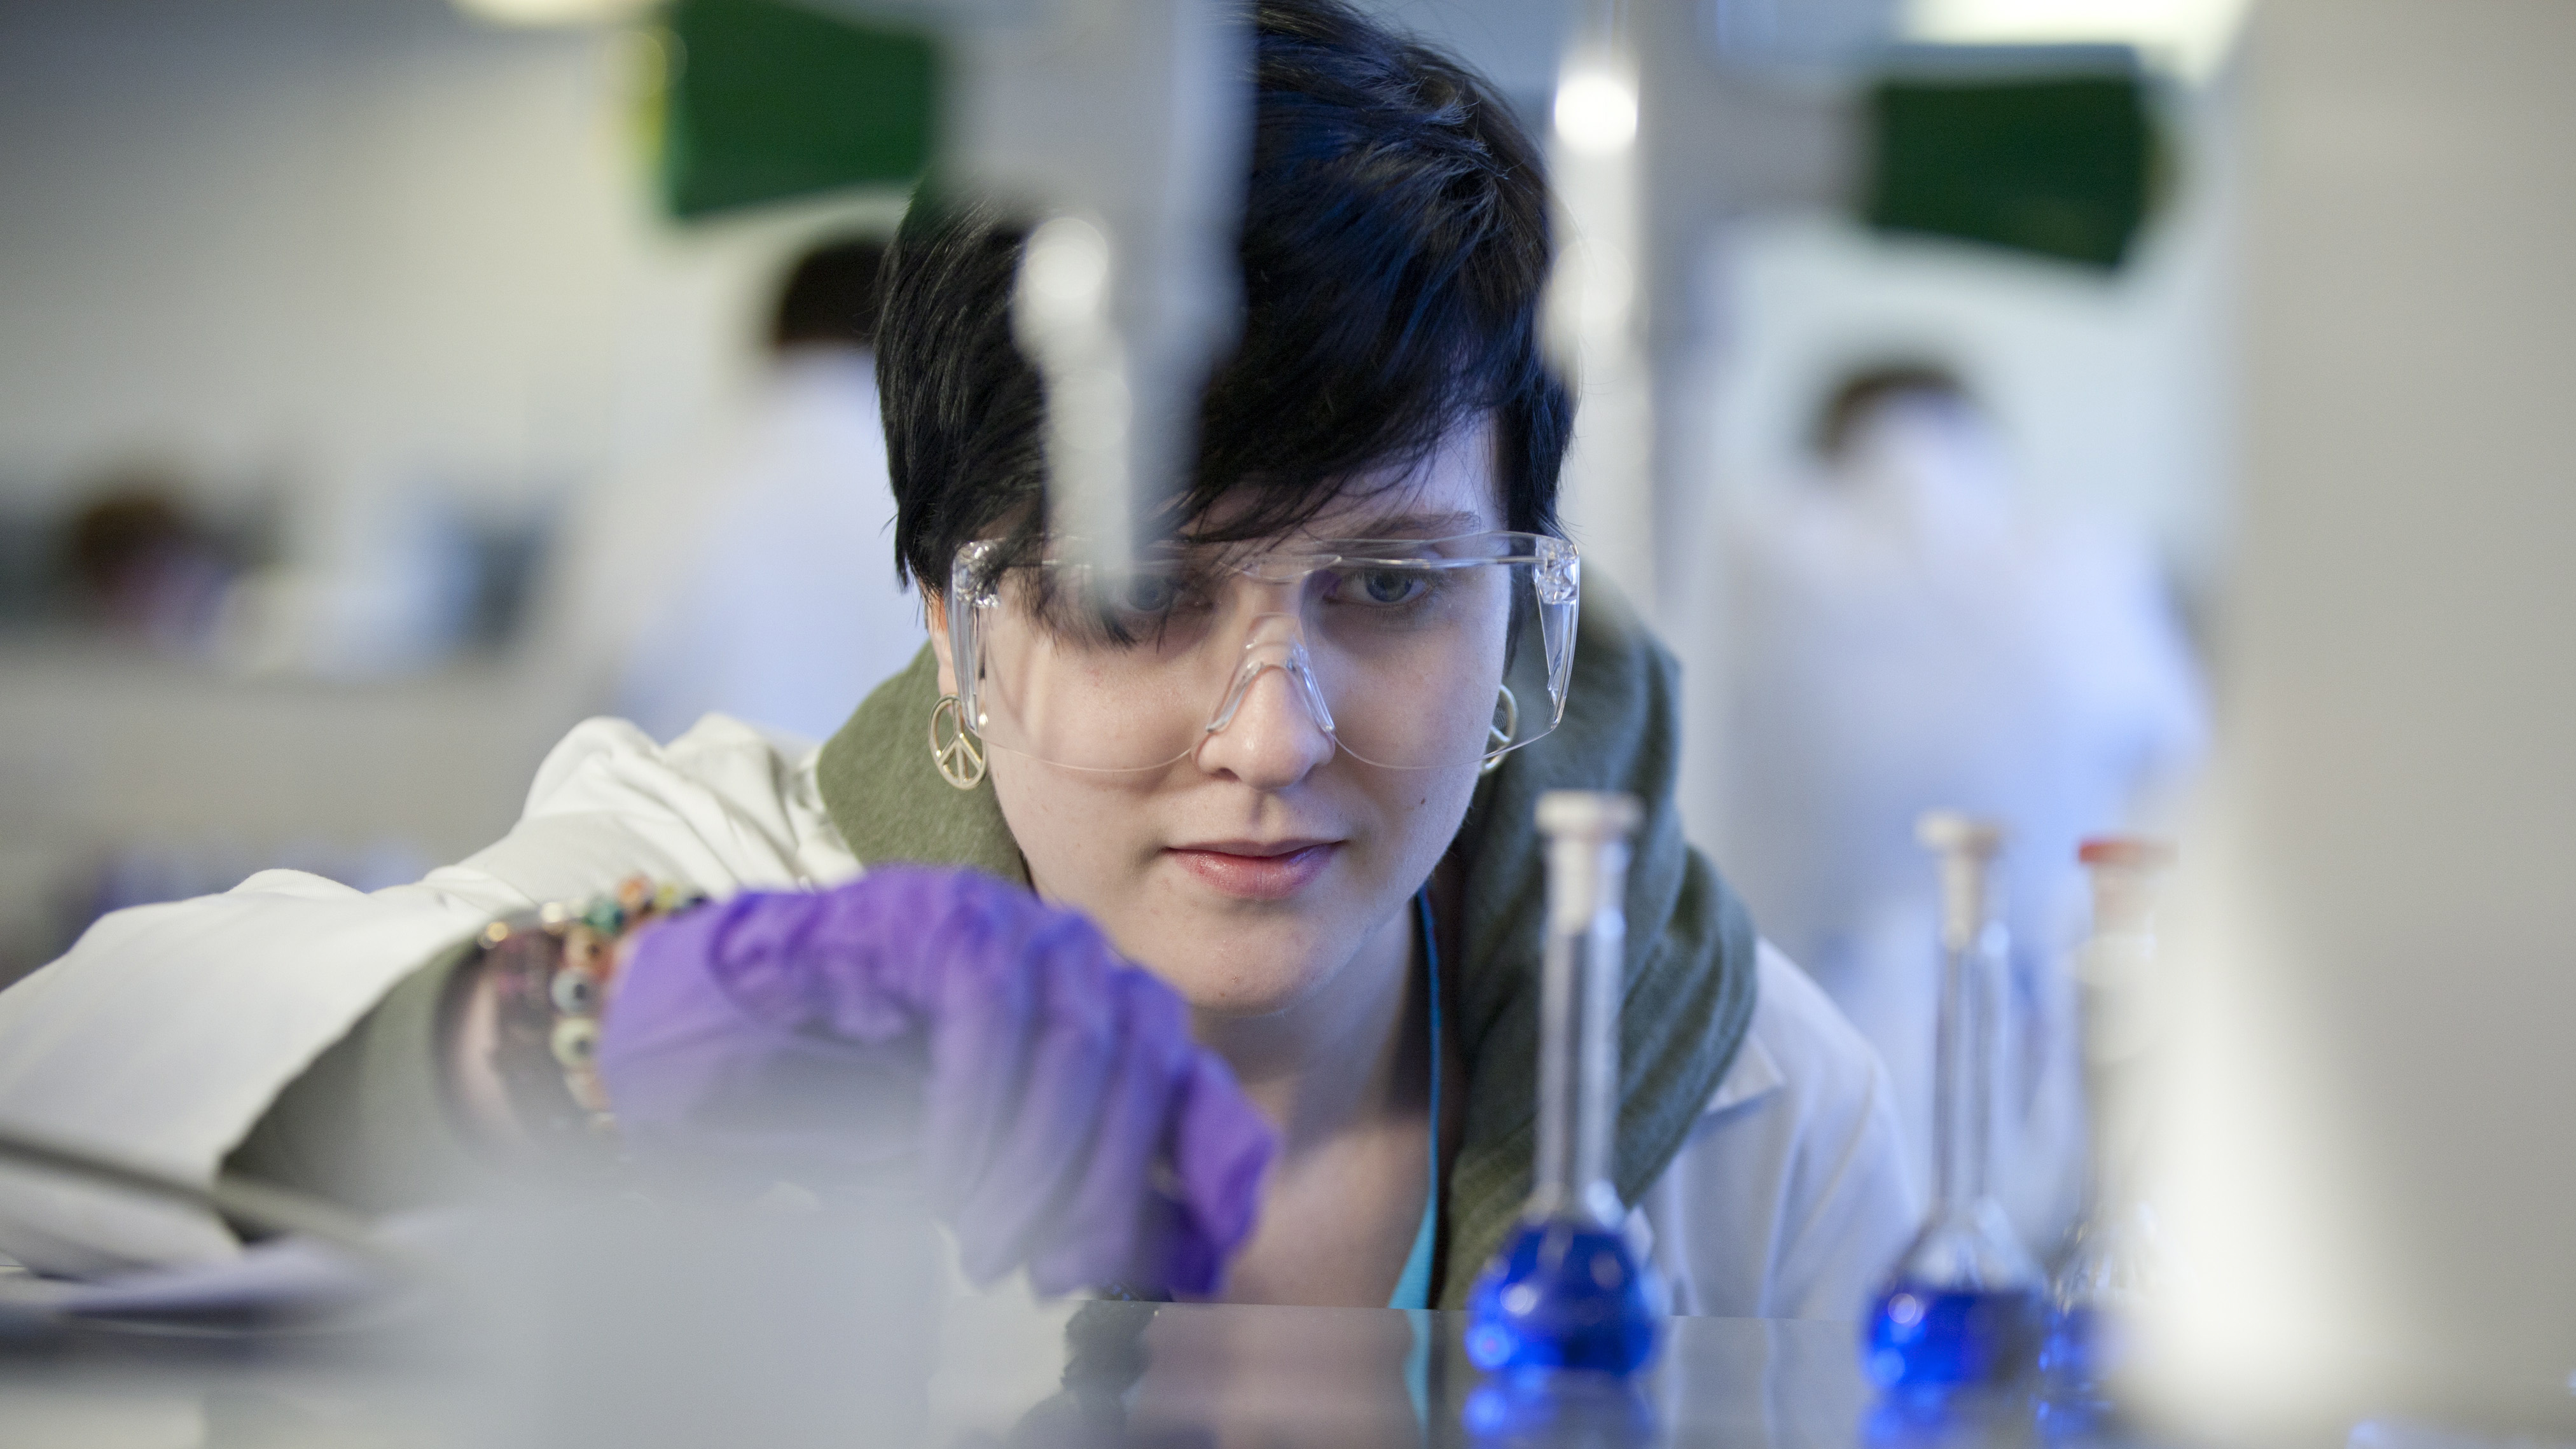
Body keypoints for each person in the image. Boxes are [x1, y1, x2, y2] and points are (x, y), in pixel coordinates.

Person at [0, 0, 1914, 1319]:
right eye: (1134, 594)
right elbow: (44, 1105)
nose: (1272, 735)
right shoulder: (738, 898)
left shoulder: (1752, 1108)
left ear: (1528, 601)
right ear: (950, 620)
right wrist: (565, 1033)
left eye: (1392, 589)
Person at [1701, 363, 2206, 1248]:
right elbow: (2182, 769)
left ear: (1824, 448)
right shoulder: (2089, 553)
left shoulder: (1750, 545)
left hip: (1775, 1058)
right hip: (2043, 1076)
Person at [604, 235, 921, 745]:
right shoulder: (955, 511)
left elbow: (554, 757)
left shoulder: (644, 502)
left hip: (678, 821)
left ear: (772, 336)